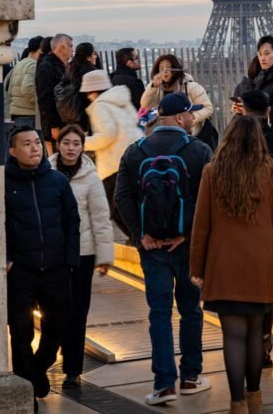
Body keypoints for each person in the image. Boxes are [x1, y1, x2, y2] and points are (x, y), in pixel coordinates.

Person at [115, 93, 215, 405]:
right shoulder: (199, 150)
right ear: (181, 117)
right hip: (186, 248)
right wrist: (186, 235)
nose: (193, 118)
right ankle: (190, 376)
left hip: (152, 247)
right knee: (190, 310)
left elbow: (121, 198)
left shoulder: (135, 151)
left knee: (159, 313)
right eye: (190, 114)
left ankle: (163, 384)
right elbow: (209, 200)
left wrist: (141, 234)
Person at [190, 115, 273, 414]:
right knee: (254, 333)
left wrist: (197, 268)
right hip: (260, 265)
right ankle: (255, 398)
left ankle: (236, 404)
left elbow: (202, 226)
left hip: (223, 267)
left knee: (232, 335)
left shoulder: (213, 171)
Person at [4, 126, 80, 404]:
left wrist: (70, 260)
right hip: (21, 271)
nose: (35, 147)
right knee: (21, 331)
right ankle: (27, 390)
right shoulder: (3, 182)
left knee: (56, 328)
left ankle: (35, 372)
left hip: (57, 269)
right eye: (27, 144)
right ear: (13, 151)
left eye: (37, 142)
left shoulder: (57, 181)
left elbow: (72, 221)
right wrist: (7, 259)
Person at [46, 125, 114, 388]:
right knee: (54, 310)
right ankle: (54, 352)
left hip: (82, 255)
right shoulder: (45, 173)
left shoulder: (91, 178)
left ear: (83, 148)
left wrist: (104, 256)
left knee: (77, 311)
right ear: (58, 145)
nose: (71, 148)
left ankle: (72, 369)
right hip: (52, 255)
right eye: (67, 143)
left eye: (76, 143)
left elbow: (100, 217)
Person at [239, 89, 273, 369]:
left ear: (242, 111)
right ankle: (262, 345)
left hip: (237, 234)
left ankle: (244, 343)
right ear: (269, 112)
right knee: (264, 294)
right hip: (268, 234)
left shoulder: (229, 151)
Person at [80, 69, 142, 236]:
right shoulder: (120, 99)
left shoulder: (100, 106)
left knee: (113, 205)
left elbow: (108, 134)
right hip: (135, 155)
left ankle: (137, 237)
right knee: (129, 201)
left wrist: (83, 144)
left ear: (93, 90)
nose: (87, 97)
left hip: (114, 162)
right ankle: (139, 235)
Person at [140, 54, 215, 138]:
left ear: (176, 69)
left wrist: (189, 119)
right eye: (161, 68)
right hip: (168, 135)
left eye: (168, 67)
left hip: (192, 134)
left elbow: (208, 108)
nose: (165, 71)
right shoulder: (158, 88)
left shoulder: (191, 87)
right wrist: (153, 87)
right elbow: (145, 105)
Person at [36, 33, 73, 144]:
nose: (72, 49)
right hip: (56, 125)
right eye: (70, 46)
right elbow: (45, 98)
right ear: (61, 47)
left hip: (63, 121)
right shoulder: (47, 67)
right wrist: (54, 125)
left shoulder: (59, 65)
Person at [60, 43, 101, 132]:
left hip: (73, 114)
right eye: (94, 54)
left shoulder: (71, 69)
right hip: (86, 115)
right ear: (88, 57)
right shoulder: (90, 72)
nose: (96, 57)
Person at [7, 36, 43, 128]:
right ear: (40, 50)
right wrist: (39, 104)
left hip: (18, 112)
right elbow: (27, 89)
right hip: (29, 114)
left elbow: (10, 90)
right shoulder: (33, 65)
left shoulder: (20, 64)